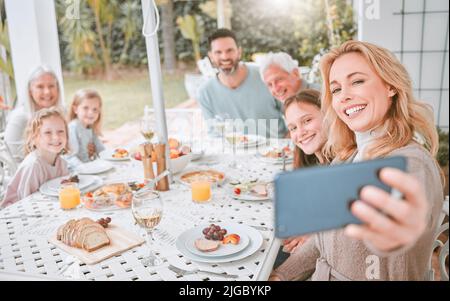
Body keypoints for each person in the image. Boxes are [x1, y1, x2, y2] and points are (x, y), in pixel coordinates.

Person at [270, 40, 443, 281]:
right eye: (337, 89)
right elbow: (324, 243)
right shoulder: (347, 158)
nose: (344, 96)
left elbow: (399, 245)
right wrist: (280, 276)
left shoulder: (410, 164)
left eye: (357, 81)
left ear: (390, 86)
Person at [197, 29, 287, 138]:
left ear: (239, 52)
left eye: (230, 50)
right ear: (211, 56)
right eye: (218, 52)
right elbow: (215, 137)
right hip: (234, 154)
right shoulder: (205, 92)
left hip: (276, 151)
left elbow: (294, 117)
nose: (225, 57)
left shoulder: (266, 77)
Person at [1, 107, 70, 208]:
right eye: (48, 132)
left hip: (48, 206)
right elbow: (27, 202)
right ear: (33, 139)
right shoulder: (34, 165)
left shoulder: (61, 163)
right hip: (18, 211)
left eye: (60, 131)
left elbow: (64, 191)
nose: (56, 137)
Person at [4, 66, 64, 160]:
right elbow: (11, 159)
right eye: (40, 87)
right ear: (30, 91)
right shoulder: (20, 118)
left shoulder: (62, 114)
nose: (47, 92)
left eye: (51, 86)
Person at [65, 89, 105, 168]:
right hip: (77, 170)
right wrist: (85, 168)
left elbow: (101, 150)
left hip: (89, 167)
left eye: (95, 109)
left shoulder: (90, 127)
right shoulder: (73, 127)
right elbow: (71, 156)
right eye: (86, 108)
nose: (91, 113)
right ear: (75, 109)